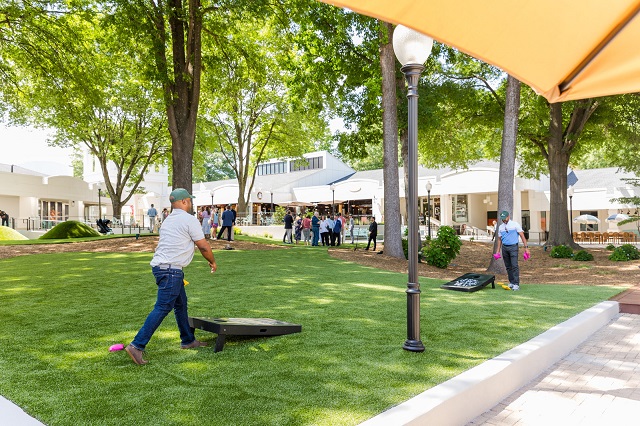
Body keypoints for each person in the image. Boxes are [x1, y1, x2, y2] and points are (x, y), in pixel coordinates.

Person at [126, 188, 217, 365]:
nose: (190, 203)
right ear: (184, 202)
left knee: (181, 304)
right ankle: (137, 345)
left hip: (164, 268)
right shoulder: (189, 219)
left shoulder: (168, 220)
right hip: (171, 270)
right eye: (189, 201)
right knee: (162, 307)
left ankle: (188, 340)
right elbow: (203, 246)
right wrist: (212, 262)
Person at [495, 210, 529, 291]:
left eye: (505, 218)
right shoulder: (500, 227)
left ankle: (516, 284)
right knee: (508, 267)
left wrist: (526, 247)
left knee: (514, 266)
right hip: (505, 248)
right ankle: (512, 282)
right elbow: (499, 240)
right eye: (502, 218)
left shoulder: (515, 224)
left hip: (513, 247)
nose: (504, 220)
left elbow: (522, 236)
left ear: (508, 217)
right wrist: (497, 251)